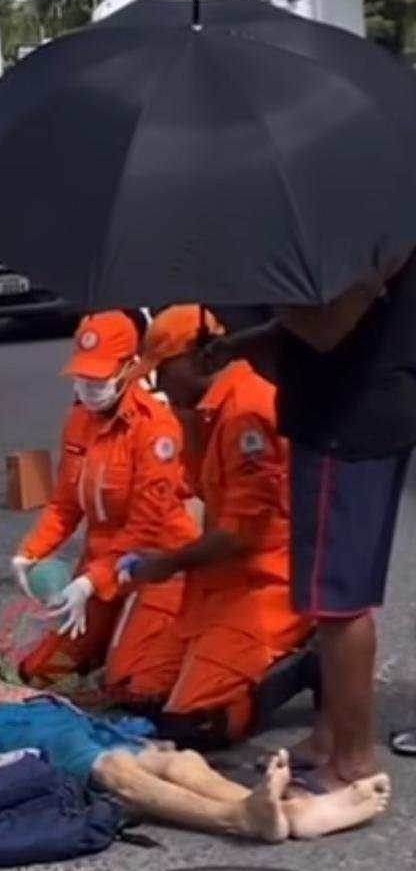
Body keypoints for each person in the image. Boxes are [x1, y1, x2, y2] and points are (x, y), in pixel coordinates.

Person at [206, 253, 416, 786]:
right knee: (329, 599)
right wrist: (242, 342)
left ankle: (351, 758)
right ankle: (330, 735)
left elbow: (328, 324)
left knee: (338, 597)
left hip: (346, 419)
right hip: (347, 411)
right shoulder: (361, 215)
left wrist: (256, 290)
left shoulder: (375, 229)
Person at [0, 657, 390, 842]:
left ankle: (290, 810)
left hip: (62, 715)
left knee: (179, 760)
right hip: (8, 729)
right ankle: (240, 818)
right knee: (117, 774)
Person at [108, 304, 312, 749]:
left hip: (266, 583)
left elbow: (243, 534)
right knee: (139, 696)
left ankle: (307, 661)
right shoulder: (205, 412)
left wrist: (168, 564)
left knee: (195, 723)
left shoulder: (246, 414)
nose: (157, 384)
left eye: (162, 370)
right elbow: (194, 492)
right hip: (218, 582)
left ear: (194, 360)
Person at [11, 311, 199, 694]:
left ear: (130, 368)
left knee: (132, 686)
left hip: (155, 567)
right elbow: (66, 503)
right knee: (39, 672)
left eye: (100, 377)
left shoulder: (155, 429)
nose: (90, 386)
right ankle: (106, 640)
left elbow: (145, 528)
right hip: (99, 569)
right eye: (83, 376)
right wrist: (29, 553)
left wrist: (89, 583)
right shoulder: (78, 421)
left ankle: (177, 641)